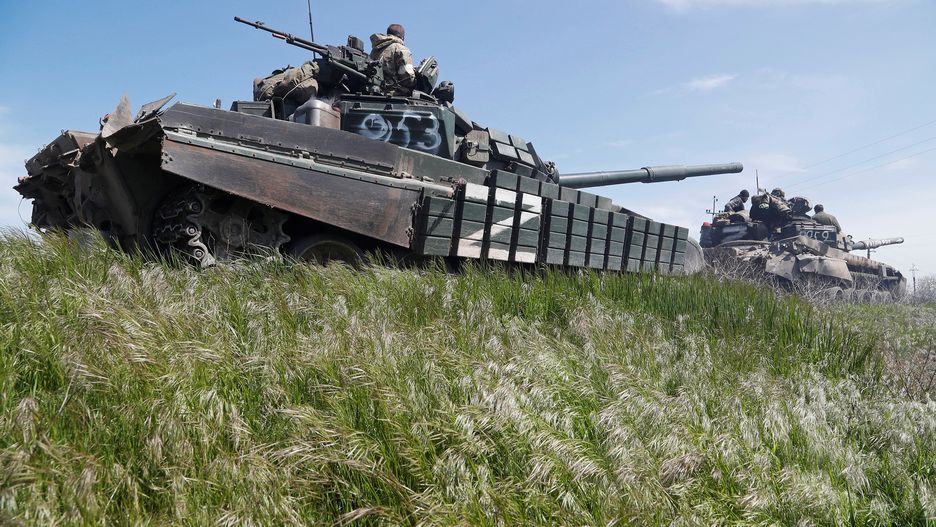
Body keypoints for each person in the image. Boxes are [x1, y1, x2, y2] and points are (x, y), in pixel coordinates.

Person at [370, 24, 416, 96]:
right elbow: (408, 77)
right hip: (394, 94)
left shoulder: (374, 50)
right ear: (403, 38)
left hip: (376, 92)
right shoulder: (400, 48)